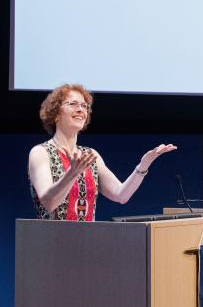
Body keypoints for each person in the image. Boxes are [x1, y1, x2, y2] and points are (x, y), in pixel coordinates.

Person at [28, 83, 176, 221]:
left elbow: (121, 195)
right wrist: (71, 174)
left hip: (89, 242)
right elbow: (49, 203)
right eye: (73, 104)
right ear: (56, 113)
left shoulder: (91, 155)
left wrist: (144, 165)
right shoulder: (41, 153)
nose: (80, 109)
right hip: (51, 242)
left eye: (84, 106)